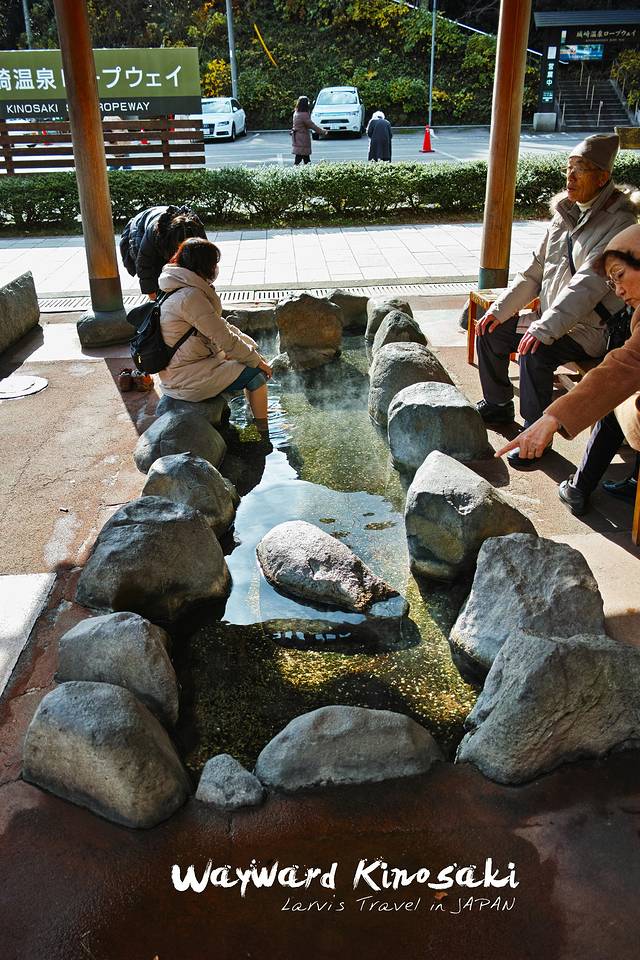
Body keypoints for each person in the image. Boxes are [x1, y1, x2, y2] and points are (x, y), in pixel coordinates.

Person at [474, 133, 639, 469]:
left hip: (591, 328)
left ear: (602, 177)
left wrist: (543, 329)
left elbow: (586, 286)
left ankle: (535, 437)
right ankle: (498, 404)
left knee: (535, 352)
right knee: (490, 330)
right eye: (569, 167)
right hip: (554, 318)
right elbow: (534, 271)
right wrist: (499, 310)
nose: (570, 176)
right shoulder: (564, 213)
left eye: (581, 169)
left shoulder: (618, 222)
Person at [495, 223, 640, 519]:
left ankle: (579, 487)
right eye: (612, 282)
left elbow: (624, 365)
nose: (618, 290)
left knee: (614, 397)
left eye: (619, 275)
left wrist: (550, 420)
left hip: (585, 333)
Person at [157, 237, 273, 436]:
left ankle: (252, 413)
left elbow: (220, 325)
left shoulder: (180, 286)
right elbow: (224, 338)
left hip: (185, 367)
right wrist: (257, 362)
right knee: (257, 375)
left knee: (251, 361)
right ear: (204, 265)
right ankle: (263, 431)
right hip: (185, 378)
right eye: (214, 263)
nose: (216, 268)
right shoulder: (190, 297)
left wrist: (252, 349)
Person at [119, 204, 207, 299]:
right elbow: (144, 264)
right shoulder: (155, 232)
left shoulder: (196, 229)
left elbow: (205, 258)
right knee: (158, 275)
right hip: (141, 227)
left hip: (165, 226)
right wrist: (152, 296)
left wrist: (205, 284)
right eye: (178, 247)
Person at [291, 96, 326, 165]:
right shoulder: (303, 115)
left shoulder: (297, 112)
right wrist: (322, 132)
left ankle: (306, 168)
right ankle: (298, 169)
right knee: (301, 156)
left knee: (304, 157)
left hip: (298, 137)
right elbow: (312, 125)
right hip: (302, 138)